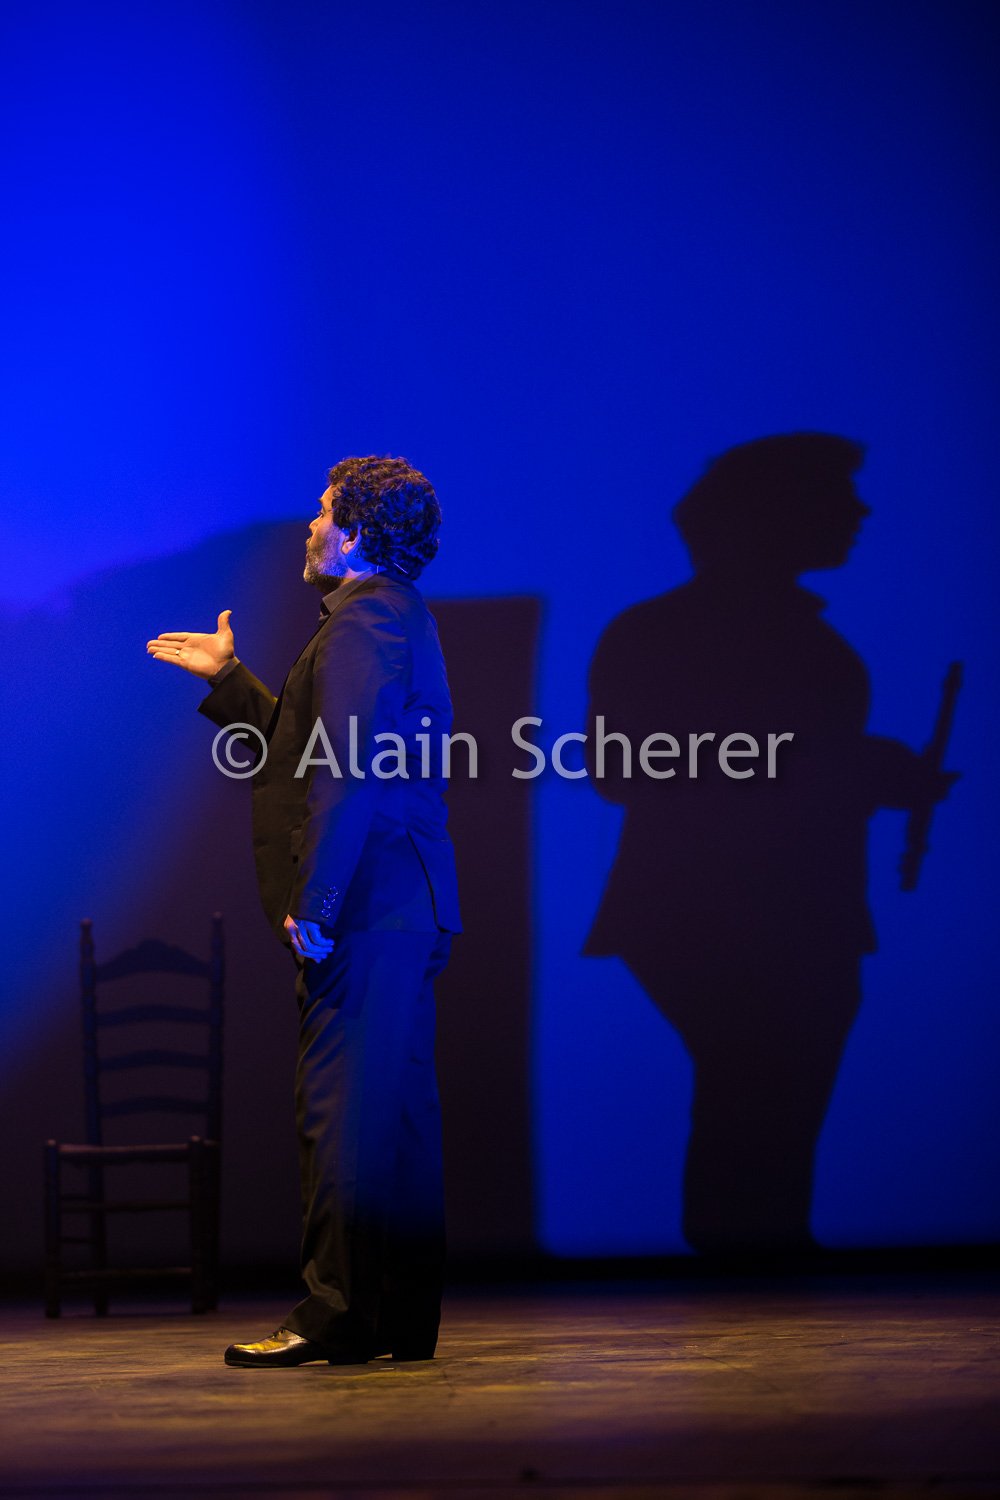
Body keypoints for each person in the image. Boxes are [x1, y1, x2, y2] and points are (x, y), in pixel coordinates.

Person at [584, 434, 956, 1254]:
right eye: (835, 495)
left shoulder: (671, 630)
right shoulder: (682, 633)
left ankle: (752, 1273)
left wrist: (857, 769)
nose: (859, 512)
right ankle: (753, 1271)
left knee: (759, 1106)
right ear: (773, 513)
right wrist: (857, 768)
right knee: (762, 1104)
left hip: (763, 914)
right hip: (740, 915)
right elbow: (626, 769)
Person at [147, 455, 461, 1364]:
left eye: (324, 513)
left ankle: (335, 1315)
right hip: (398, 906)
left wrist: (317, 898)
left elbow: (349, 768)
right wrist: (230, 681)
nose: (312, 525)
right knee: (391, 1121)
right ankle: (392, 1319)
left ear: (355, 533)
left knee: (343, 1118)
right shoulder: (388, 615)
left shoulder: (367, 621)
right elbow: (307, 751)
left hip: (366, 906)